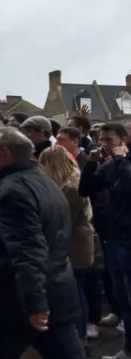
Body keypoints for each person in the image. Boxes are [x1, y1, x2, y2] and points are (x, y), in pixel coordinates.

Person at [0, 128, 84, 358]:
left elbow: (28, 251)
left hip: (15, 301)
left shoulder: (11, 192)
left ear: (5, 153)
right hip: (55, 290)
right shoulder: (47, 183)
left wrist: (35, 305)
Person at [78, 122, 131, 359]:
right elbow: (85, 189)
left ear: (123, 139)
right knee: (122, 295)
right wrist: (90, 163)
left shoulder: (123, 164)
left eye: (108, 140)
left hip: (128, 239)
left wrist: (119, 160)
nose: (103, 144)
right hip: (115, 237)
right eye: (101, 139)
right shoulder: (110, 164)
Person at [39, 145, 95, 350]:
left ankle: (80, 335)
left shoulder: (71, 189)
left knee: (76, 293)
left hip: (75, 248)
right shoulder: (68, 186)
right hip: (74, 245)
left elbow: (62, 220)